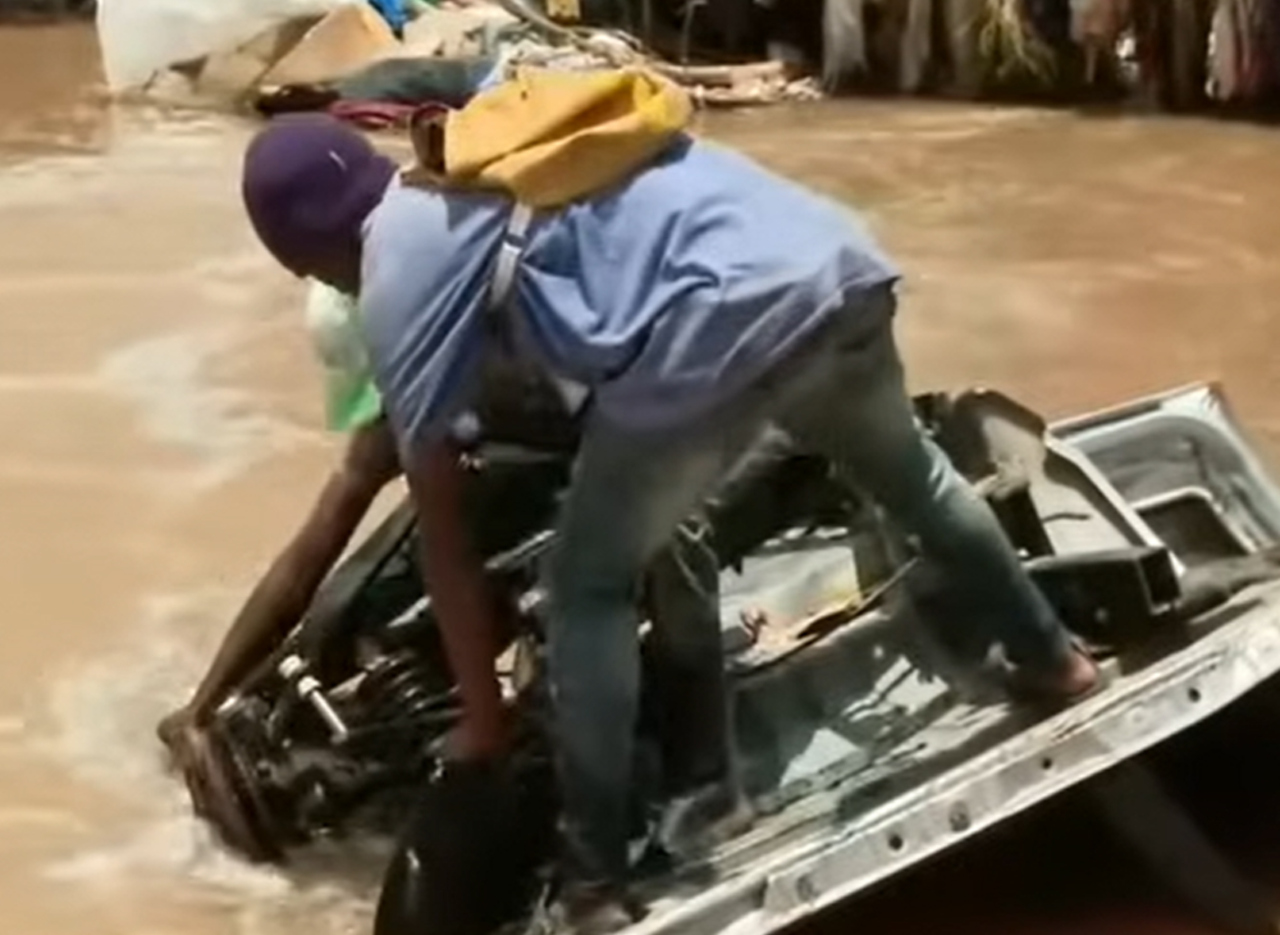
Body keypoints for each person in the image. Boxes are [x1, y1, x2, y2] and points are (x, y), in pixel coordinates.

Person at [238, 110, 1099, 934]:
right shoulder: (479, 160)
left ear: (300, 258)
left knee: (585, 590)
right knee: (918, 482)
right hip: (833, 268)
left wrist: (486, 722)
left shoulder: (395, 278)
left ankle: (595, 884)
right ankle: (1056, 661)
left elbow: (445, 542)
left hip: (724, 332)